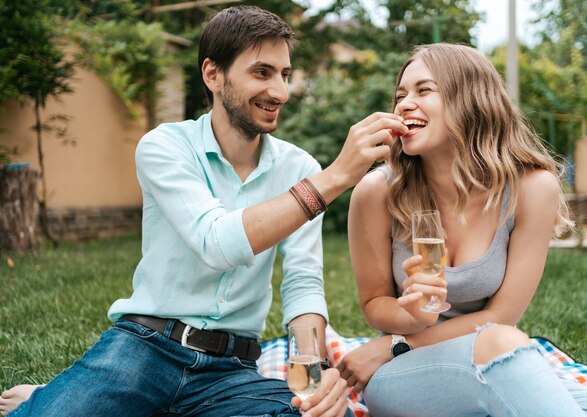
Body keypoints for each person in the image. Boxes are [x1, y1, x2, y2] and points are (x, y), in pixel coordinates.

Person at [0, 6, 408, 417]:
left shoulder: (299, 168)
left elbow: (302, 282)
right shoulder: (165, 147)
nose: (281, 92)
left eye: (284, 75)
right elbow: (217, 242)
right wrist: (336, 176)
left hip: (231, 371)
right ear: (213, 74)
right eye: (262, 72)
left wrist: (315, 373)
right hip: (144, 350)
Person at [336, 43, 587, 417]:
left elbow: (502, 313)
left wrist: (395, 344)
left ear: (470, 99)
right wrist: (408, 320)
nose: (404, 104)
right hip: (406, 376)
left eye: (424, 90)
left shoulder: (533, 188)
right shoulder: (376, 192)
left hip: (490, 357)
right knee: (502, 344)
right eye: (400, 95)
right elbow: (375, 305)